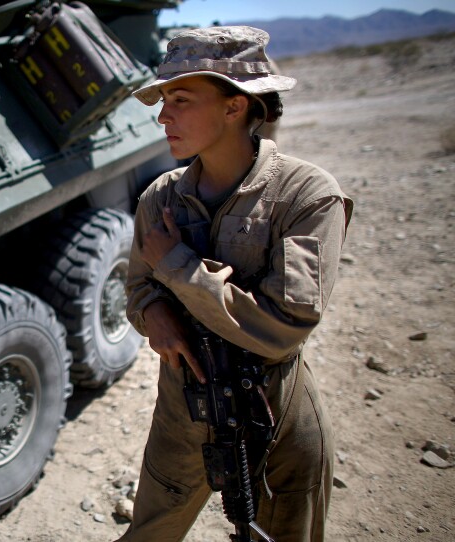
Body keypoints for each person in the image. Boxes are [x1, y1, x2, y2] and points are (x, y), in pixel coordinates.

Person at [117, 26, 352, 541]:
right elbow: (137, 288)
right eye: (162, 101)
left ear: (236, 106)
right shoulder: (160, 197)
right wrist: (153, 312)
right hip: (182, 410)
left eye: (180, 99)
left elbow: (284, 326)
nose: (163, 116)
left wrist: (178, 266)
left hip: (274, 411)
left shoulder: (306, 195)